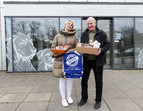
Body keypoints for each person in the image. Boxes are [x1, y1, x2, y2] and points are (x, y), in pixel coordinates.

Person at [78, 17, 110, 109]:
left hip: (98, 61)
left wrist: (101, 50)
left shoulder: (102, 33)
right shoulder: (84, 34)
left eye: (91, 23)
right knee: (84, 81)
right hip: (87, 61)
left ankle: (98, 100)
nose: (89, 25)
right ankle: (84, 98)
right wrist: (80, 50)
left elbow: (107, 45)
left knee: (98, 82)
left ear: (95, 23)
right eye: (88, 24)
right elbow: (82, 45)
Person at [51, 20, 78, 107]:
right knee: (62, 80)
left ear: (72, 26)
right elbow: (53, 47)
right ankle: (63, 98)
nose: (69, 26)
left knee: (70, 79)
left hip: (70, 61)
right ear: (65, 25)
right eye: (68, 24)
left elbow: (78, 48)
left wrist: (68, 51)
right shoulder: (57, 36)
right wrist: (56, 52)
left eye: (71, 25)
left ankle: (69, 96)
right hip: (60, 61)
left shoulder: (74, 37)